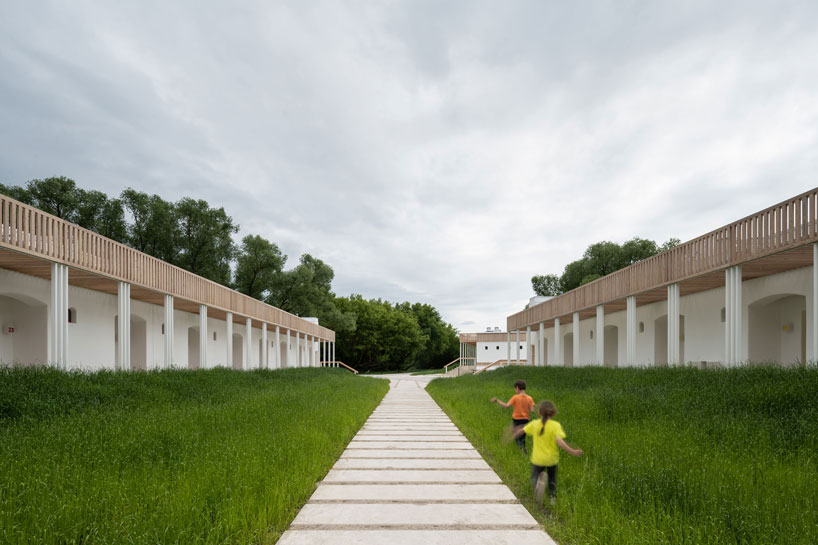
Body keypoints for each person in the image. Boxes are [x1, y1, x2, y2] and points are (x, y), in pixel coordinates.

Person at [513, 400, 583, 506]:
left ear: (539, 412)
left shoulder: (534, 424)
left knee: (534, 477)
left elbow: (521, 431)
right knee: (552, 480)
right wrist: (572, 451)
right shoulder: (555, 425)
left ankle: (538, 485)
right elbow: (560, 442)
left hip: (537, 459)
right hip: (551, 459)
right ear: (553, 413)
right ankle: (552, 500)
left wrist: (514, 433)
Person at [490, 379, 535, 454]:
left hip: (517, 421)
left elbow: (506, 406)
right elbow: (532, 410)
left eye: (515, 389)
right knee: (522, 437)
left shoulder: (515, 397)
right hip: (526, 420)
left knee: (516, 437)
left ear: (517, 388)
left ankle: (522, 451)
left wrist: (497, 400)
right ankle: (523, 451)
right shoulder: (529, 398)